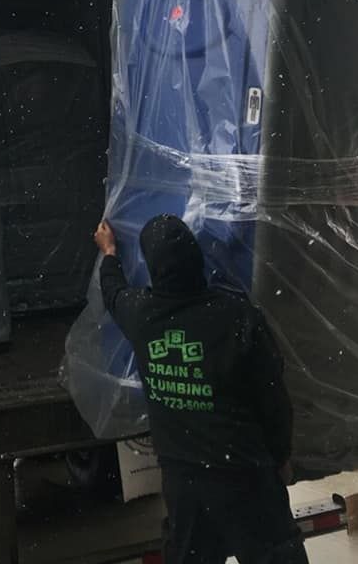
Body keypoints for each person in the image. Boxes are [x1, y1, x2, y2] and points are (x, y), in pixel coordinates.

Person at [95, 214, 308, 564]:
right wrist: (281, 455)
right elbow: (273, 399)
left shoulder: (144, 315)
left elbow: (113, 292)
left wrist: (110, 253)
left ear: (153, 268)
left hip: (185, 483)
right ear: (197, 257)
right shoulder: (236, 318)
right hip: (244, 475)